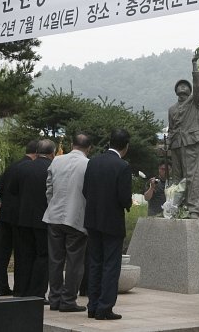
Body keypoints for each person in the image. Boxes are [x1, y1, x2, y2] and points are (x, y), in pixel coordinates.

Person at [83, 128, 132, 320]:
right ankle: (105, 308)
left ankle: (92, 306)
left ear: (109, 143)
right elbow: (125, 199)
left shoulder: (93, 162)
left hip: (93, 220)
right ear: (126, 146)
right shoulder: (122, 166)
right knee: (111, 265)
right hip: (112, 222)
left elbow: (85, 190)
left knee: (94, 263)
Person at [43, 133, 91, 312]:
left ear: (72, 144)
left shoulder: (56, 161)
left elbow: (49, 187)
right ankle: (68, 299)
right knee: (75, 261)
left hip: (54, 216)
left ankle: (54, 298)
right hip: (76, 217)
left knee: (55, 259)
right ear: (89, 148)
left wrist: (52, 205)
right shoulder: (88, 164)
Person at [12, 138, 54, 299]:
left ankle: (20, 290)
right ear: (51, 153)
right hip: (43, 218)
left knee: (23, 255)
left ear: (37, 152)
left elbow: (12, 191)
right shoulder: (51, 168)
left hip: (23, 218)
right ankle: (37, 292)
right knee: (43, 256)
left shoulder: (22, 168)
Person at [0, 140, 37, 296]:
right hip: (19, 217)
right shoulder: (29, 168)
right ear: (37, 154)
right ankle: (20, 287)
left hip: (5, 214)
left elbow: (0, 189)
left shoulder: (13, 166)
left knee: (2, 253)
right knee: (21, 252)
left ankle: (0, 285)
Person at [168, 49, 199, 218]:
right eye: (179, 86)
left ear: (189, 90)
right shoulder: (172, 109)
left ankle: (193, 209)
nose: (182, 87)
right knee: (176, 178)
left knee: (191, 176)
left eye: (185, 85)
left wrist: (194, 64)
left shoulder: (195, 103)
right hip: (175, 144)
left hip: (190, 142)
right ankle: (175, 208)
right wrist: (168, 146)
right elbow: (171, 128)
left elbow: (198, 87)